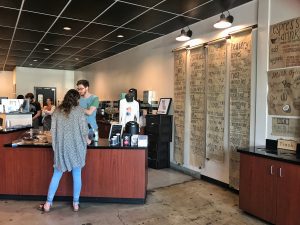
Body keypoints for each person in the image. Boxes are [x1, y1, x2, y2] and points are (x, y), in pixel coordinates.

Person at [39, 89, 90, 212]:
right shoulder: (79, 111)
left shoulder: (57, 111)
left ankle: (48, 204)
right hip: (77, 146)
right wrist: (87, 140)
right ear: (77, 99)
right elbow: (84, 130)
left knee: (57, 174)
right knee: (77, 174)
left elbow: (53, 130)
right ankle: (76, 204)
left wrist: (55, 146)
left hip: (61, 147)